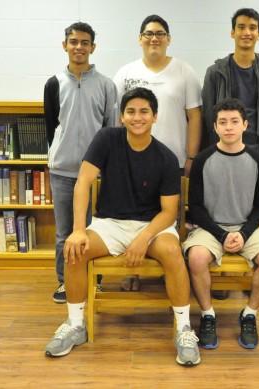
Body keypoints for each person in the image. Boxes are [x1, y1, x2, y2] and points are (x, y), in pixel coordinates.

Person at [45, 87, 201, 366]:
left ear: (155, 117)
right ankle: (76, 325)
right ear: (122, 116)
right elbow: (83, 182)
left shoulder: (166, 157)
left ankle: (184, 329)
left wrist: (143, 238)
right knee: (75, 249)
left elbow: (169, 213)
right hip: (110, 223)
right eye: (131, 111)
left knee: (173, 253)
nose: (137, 117)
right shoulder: (106, 139)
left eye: (144, 112)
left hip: (153, 225)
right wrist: (79, 229)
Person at [183, 98, 259, 350]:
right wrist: (220, 235)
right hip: (210, 228)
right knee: (195, 257)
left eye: (234, 122)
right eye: (223, 122)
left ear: (245, 125)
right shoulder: (203, 160)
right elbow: (195, 207)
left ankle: (249, 314)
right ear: (215, 127)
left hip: (246, 228)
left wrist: (243, 232)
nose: (229, 127)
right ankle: (208, 316)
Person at [113, 14, 202, 291]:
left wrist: (190, 156)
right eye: (149, 33)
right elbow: (118, 118)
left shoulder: (184, 71)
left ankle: (170, 269)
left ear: (169, 39)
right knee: (133, 216)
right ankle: (133, 271)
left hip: (172, 161)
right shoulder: (125, 73)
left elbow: (195, 116)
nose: (155, 38)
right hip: (132, 160)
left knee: (170, 218)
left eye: (160, 33)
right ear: (140, 39)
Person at [44, 22, 118, 303]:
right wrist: (57, 158)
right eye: (73, 42)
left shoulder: (106, 85)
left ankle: (94, 281)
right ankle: (65, 282)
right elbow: (52, 127)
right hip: (63, 172)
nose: (79, 47)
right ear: (65, 45)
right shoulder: (53, 83)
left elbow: (111, 130)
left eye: (84, 42)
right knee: (65, 232)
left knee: (94, 232)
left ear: (93, 47)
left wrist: (107, 170)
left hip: (96, 174)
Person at [201, 8, 259, 169]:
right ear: (232, 32)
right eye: (241, 27)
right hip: (224, 153)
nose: (247, 32)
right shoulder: (215, 72)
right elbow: (209, 117)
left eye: (252, 28)